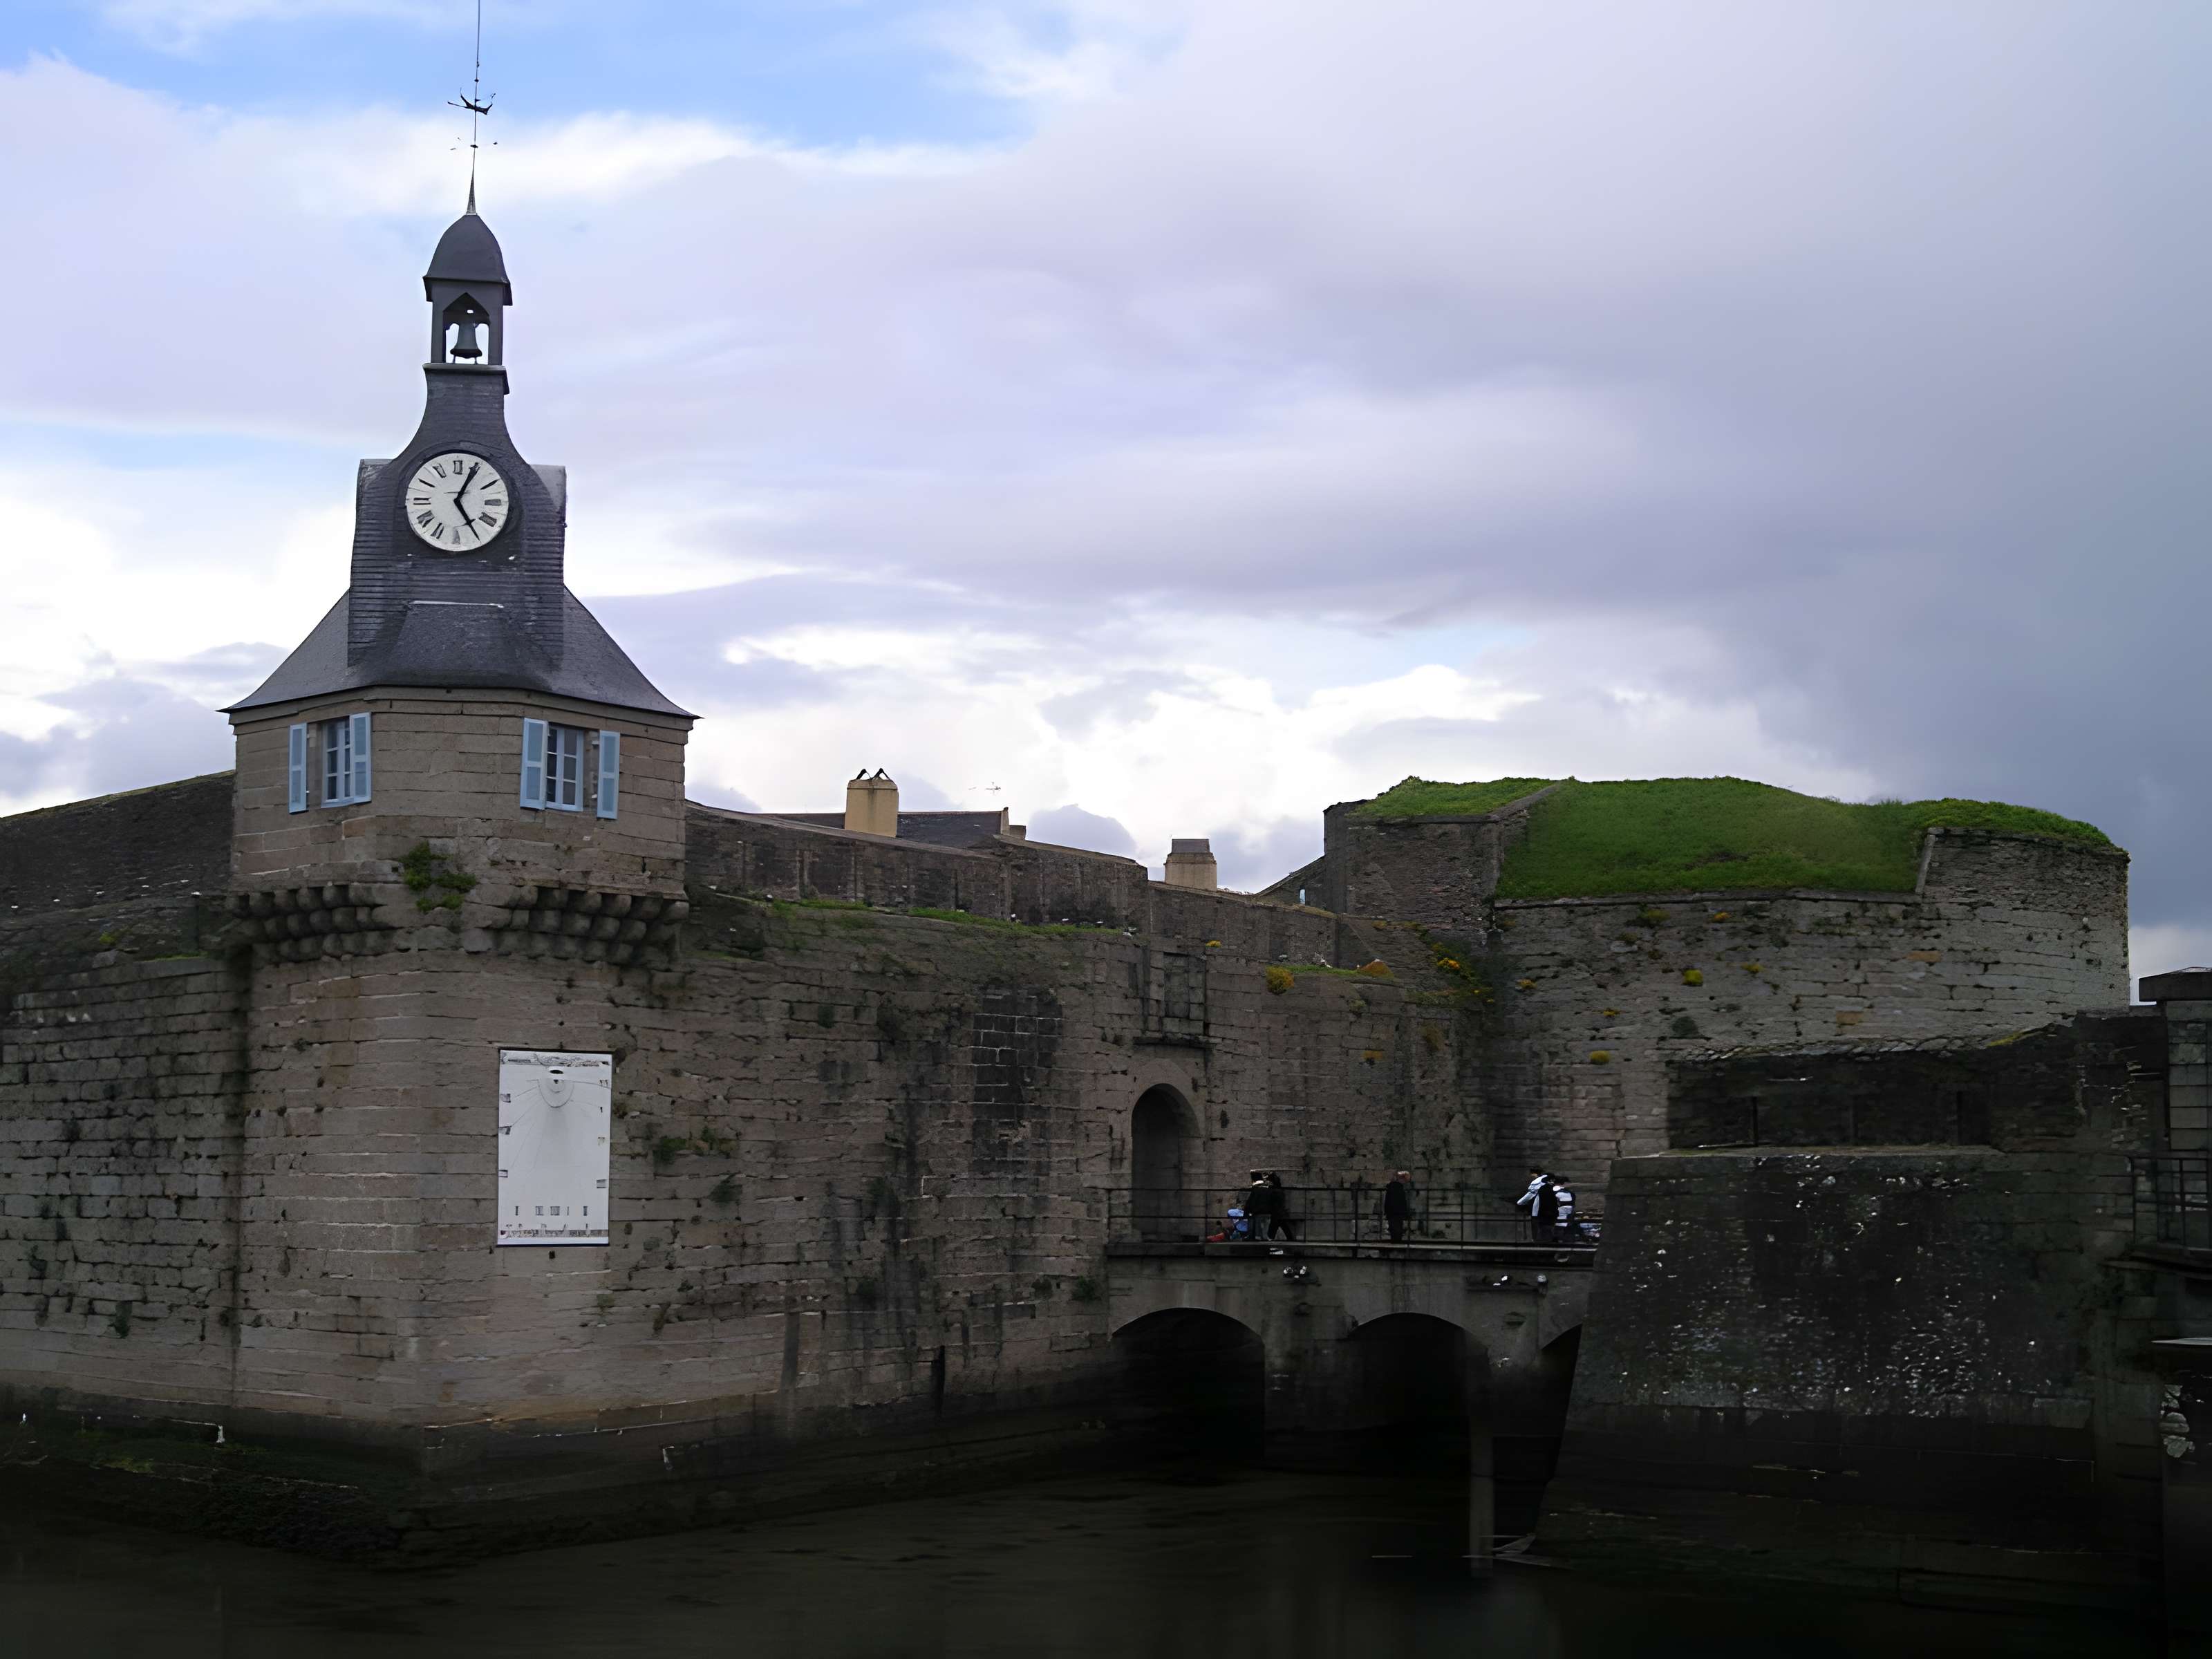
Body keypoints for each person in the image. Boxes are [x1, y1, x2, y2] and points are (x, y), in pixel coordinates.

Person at [1513, 1166, 1550, 1243]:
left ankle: (1536, 1240)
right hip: (1550, 1208)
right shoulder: (1548, 1179)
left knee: (1537, 1225)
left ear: (1533, 1174)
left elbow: (1530, 1195)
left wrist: (1520, 1202)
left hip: (1539, 1207)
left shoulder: (1536, 1182)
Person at [1382, 1170, 1414, 1243]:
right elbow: (1403, 1202)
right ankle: (1397, 1241)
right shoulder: (1400, 1189)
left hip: (1392, 1212)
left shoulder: (1390, 1188)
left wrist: (1386, 1211)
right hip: (1398, 1212)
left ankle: (1394, 1241)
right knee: (1398, 1227)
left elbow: (1387, 1202)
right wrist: (1404, 1212)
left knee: (1393, 1227)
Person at [1264, 1172, 1296, 1242]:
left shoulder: (1274, 1191)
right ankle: (1290, 1239)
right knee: (1282, 1226)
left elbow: (1272, 1202)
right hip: (1279, 1212)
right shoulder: (1279, 1191)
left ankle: (1270, 1238)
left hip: (1276, 1212)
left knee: (1275, 1226)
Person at [1548, 1175, 1576, 1244]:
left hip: (1552, 1221)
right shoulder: (1570, 1194)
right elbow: (1572, 1208)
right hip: (1566, 1221)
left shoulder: (1549, 1191)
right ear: (1565, 1183)